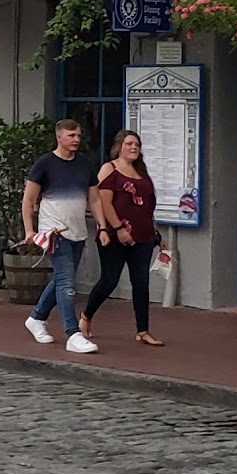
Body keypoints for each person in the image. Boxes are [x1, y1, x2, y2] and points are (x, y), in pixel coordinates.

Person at [81, 129, 166, 349]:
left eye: (137, 144)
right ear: (119, 146)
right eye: (129, 143)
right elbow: (103, 201)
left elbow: (147, 207)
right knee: (110, 280)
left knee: (141, 283)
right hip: (113, 235)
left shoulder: (141, 172)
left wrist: (156, 234)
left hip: (143, 237)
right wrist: (118, 228)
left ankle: (143, 330)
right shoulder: (110, 169)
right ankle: (86, 315)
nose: (134, 147)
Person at [22, 117, 98, 354]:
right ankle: (73, 334)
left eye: (78, 135)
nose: (76, 139)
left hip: (78, 231)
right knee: (66, 283)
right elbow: (28, 200)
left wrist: (103, 226)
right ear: (59, 137)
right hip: (54, 231)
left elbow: (94, 199)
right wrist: (30, 231)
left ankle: (36, 318)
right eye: (71, 135)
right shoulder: (44, 163)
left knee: (61, 279)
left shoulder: (85, 164)